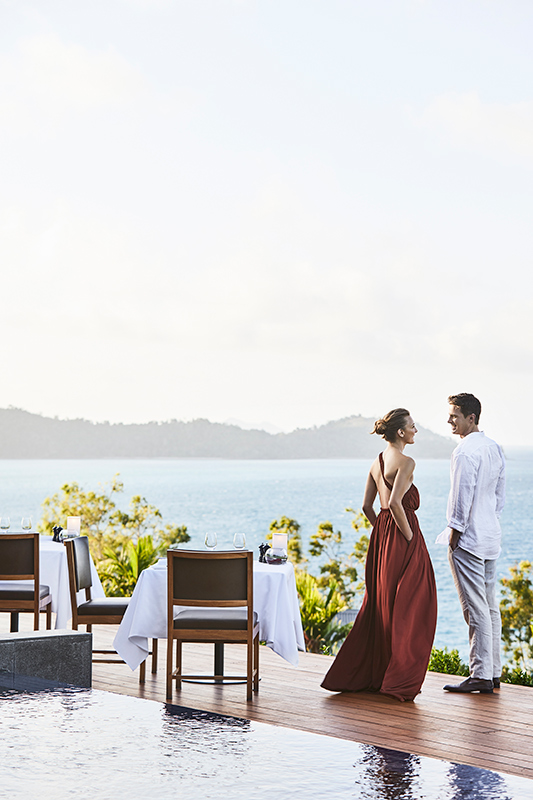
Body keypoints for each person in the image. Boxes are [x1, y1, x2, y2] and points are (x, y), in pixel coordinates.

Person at [321, 408, 437, 702]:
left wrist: (382, 532)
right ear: (400, 432)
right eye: (412, 426)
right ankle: (397, 678)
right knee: (413, 607)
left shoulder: (377, 462)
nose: (415, 431)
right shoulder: (407, 462)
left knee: (382, 606)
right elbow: (397, 504)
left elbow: (367, 507)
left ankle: (377, 674)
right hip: (402, 539)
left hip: (382, 540)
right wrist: (410, 540)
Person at [439, 393, 505, 694]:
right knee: (490, 606)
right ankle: (493, 672)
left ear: (471, 418)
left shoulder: (465, 451)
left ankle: (479, 674)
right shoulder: (494, 448)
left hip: (469, 538)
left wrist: (455, 530)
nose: (449, 421)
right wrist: (489, 521)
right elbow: (498, 496)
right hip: (491, 535)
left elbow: (461, 495)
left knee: (474, 607)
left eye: (454, 415)